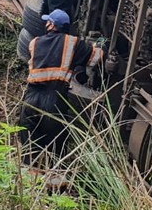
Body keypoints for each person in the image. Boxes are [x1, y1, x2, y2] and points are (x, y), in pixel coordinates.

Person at [19, 9, 103, 161]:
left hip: (31, 98)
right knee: (56, 149)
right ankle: (54, 181)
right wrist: (101, 42)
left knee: (29, 149)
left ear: (51, 25)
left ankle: (28, 180)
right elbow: (95, 57)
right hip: (54, 100)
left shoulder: (34, 42)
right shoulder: (73, 42)